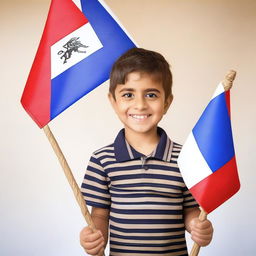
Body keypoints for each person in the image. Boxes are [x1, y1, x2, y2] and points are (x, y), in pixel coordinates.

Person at [80, 48, 213, 256]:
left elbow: (190, 209)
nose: (140, 105)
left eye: (151, 95)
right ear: (113, 102)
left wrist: (198, 225)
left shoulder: (186, 158)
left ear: (167, 103)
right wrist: (94, 237)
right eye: (128, 95)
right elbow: (100, 215)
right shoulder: (102, 160)